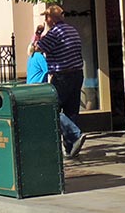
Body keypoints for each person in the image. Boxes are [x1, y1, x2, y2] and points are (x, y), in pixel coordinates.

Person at [26, 26, 86, 158]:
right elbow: (49, 68)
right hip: (40, 89)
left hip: (32, 88)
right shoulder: (39, 57)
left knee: (48, 115)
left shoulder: (31, 57)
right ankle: (74, 134)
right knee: (52, 110)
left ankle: (68, 147)